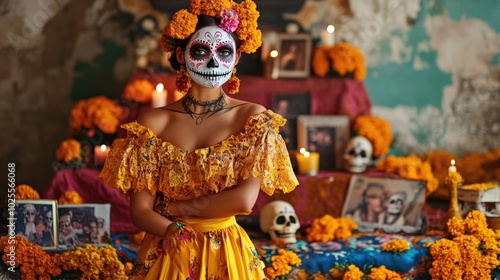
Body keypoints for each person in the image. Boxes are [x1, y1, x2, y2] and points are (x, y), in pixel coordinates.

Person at [99, 1, 298, 279]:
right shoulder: (152, 124)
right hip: (168, 250)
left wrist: (175, 209)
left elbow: (243, 201)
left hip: (226, 252)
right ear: (181, 55)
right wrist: (170, 229)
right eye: (200, 51)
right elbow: (140, 211)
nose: (213, 62)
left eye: (225, 51)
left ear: (237, 57)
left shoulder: (253, 119)